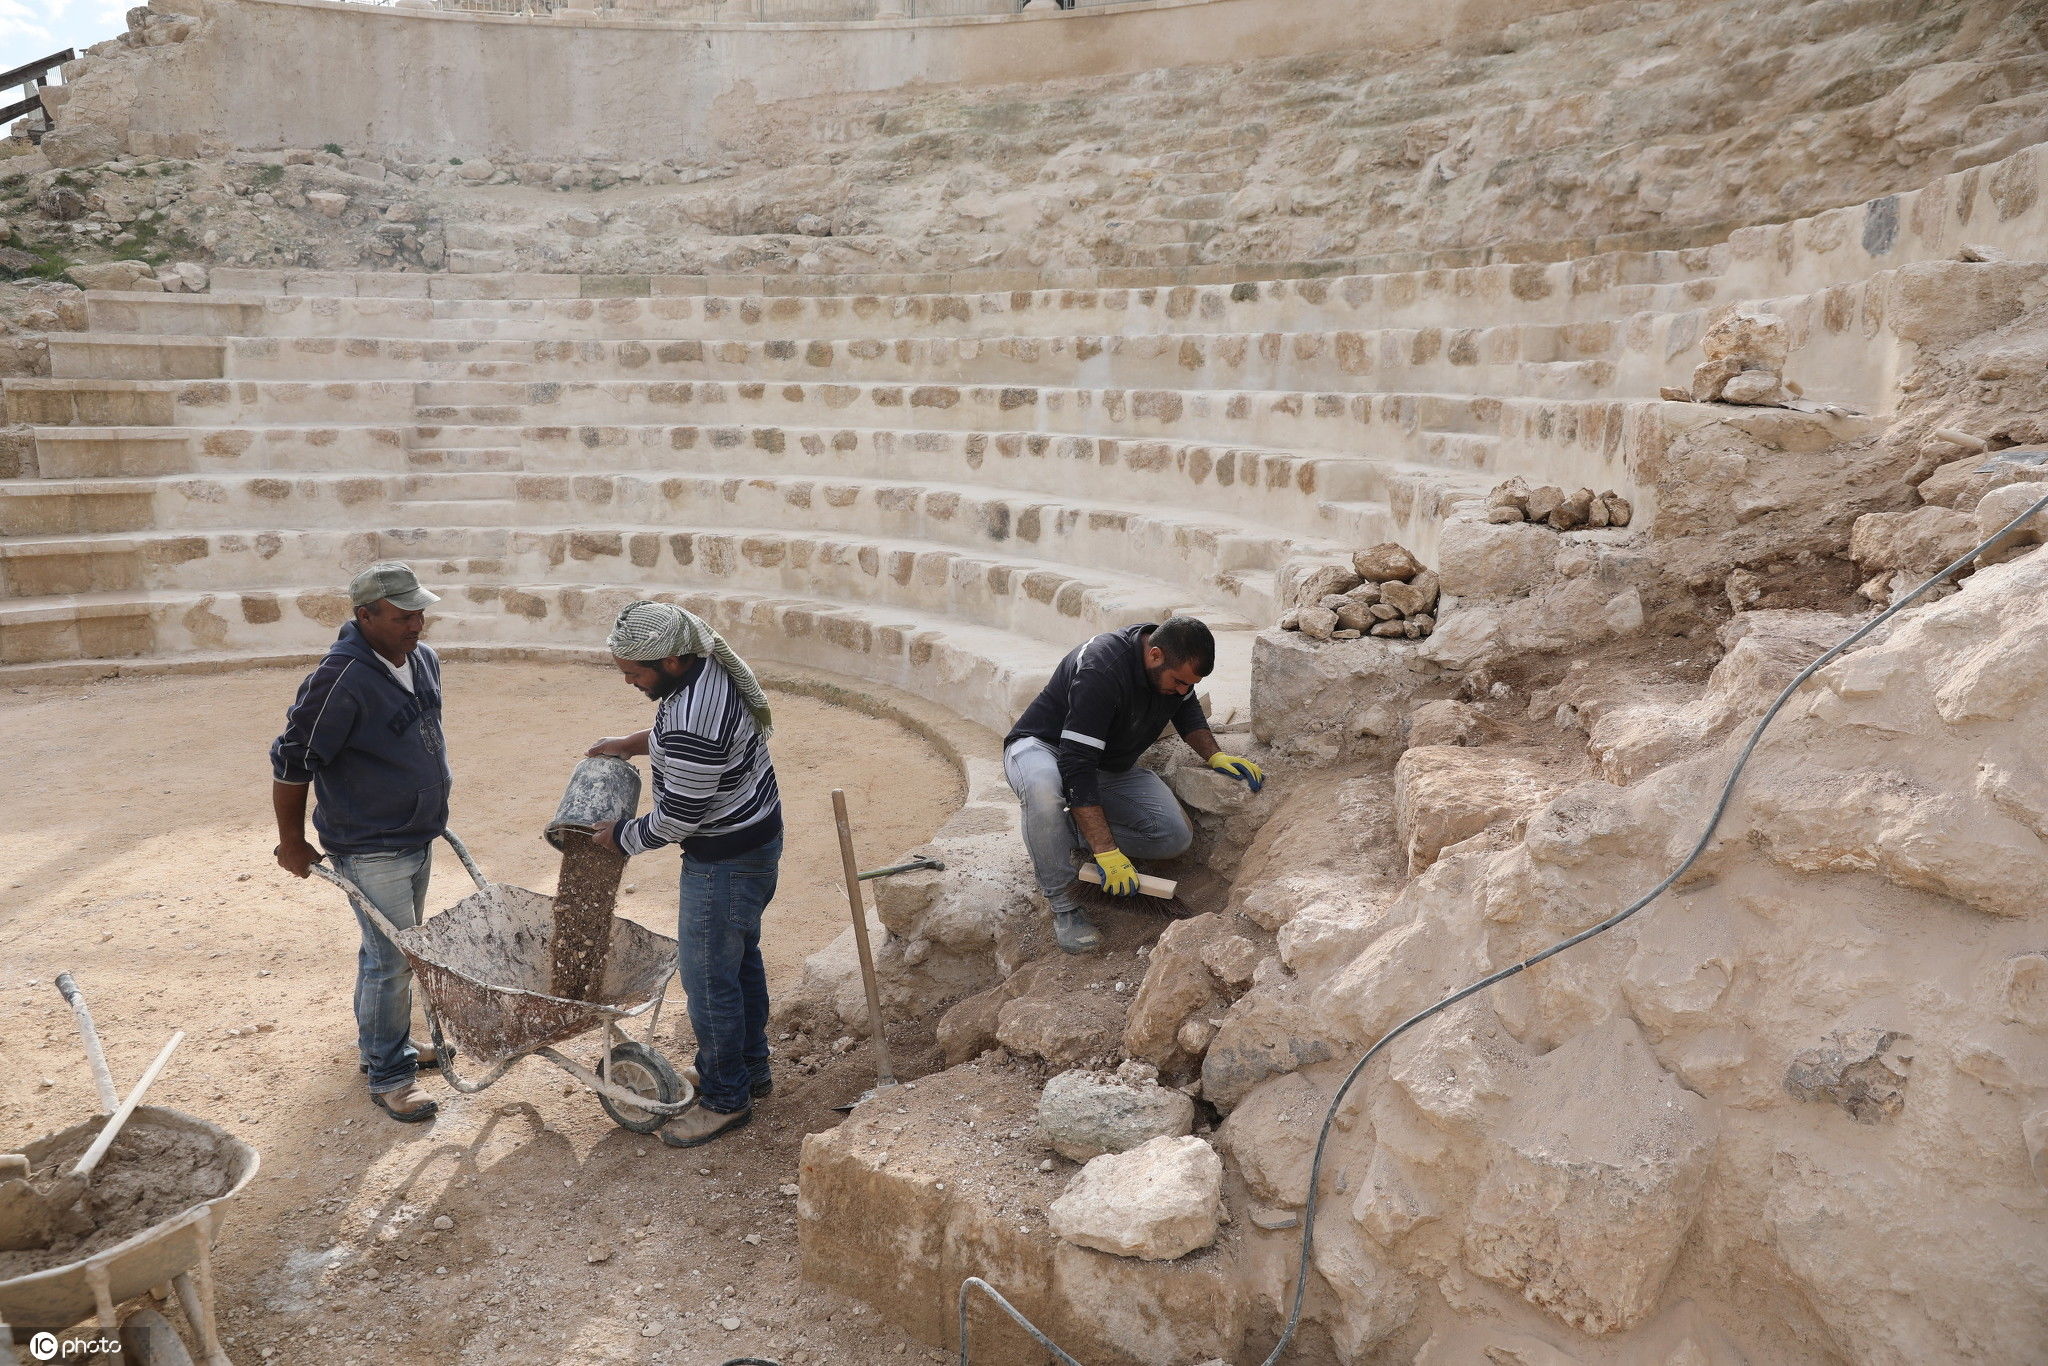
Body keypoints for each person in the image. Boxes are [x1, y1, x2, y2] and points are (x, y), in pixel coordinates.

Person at [587, 601, 783, 1149]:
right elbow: (677, 734)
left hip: (724, 860)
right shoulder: (702, 673)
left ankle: (726, 1099)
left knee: (707, 981)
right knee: (739, 961)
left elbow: (677, 817)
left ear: (671, 661)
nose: (630, 682)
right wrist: (634, 742)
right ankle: (750, 1070)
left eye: (636, 673)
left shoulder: (695, 716)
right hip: (754, 837)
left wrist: (619, 838)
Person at [271, 562, 451, 1123]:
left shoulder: (421, 660)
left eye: (419, 610)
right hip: (371, 844)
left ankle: (383, 1047)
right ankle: (389, 1074)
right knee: (391, 959)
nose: (416, 623)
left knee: (388, 953)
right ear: (365, 616)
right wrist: (291, 841)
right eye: (402, 615)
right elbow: (293, 760)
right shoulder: (340, 680)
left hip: (414, 834)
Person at [1003, 616, 1264, 953]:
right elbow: (1076, 765)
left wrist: (1214, 755)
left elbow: (1186, 710)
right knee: (1043, 790)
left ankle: (1054, 833)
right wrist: (1106, 850)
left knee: (1173, 836)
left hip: (1106, 763)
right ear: (1154, 656)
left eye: (1191, 684)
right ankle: (1064, 904)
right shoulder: (1101, 668)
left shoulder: (1172, 660)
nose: (1185, 690)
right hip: (1044, 748)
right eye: (1179, 682)